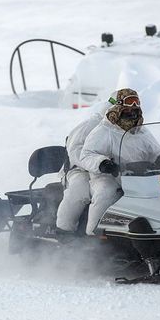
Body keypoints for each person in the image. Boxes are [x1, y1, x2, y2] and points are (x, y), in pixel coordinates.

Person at [80, 88, 160, 235]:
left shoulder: (141, 130)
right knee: (106, 193)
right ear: (119, 104)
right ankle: (94, 233)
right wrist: (103, 164)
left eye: (137, 102)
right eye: (129, 101)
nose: (134, 106)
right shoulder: (105, 130)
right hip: (108, 176)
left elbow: (157, 150)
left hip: (139, 175)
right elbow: (86, 155)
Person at [55, 95, 115, 234]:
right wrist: (98, 164)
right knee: (79, 189)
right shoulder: (91, 125)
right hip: (79, 169)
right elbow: (75, 151)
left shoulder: (125, 127)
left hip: (106, 171)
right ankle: (65, 230)